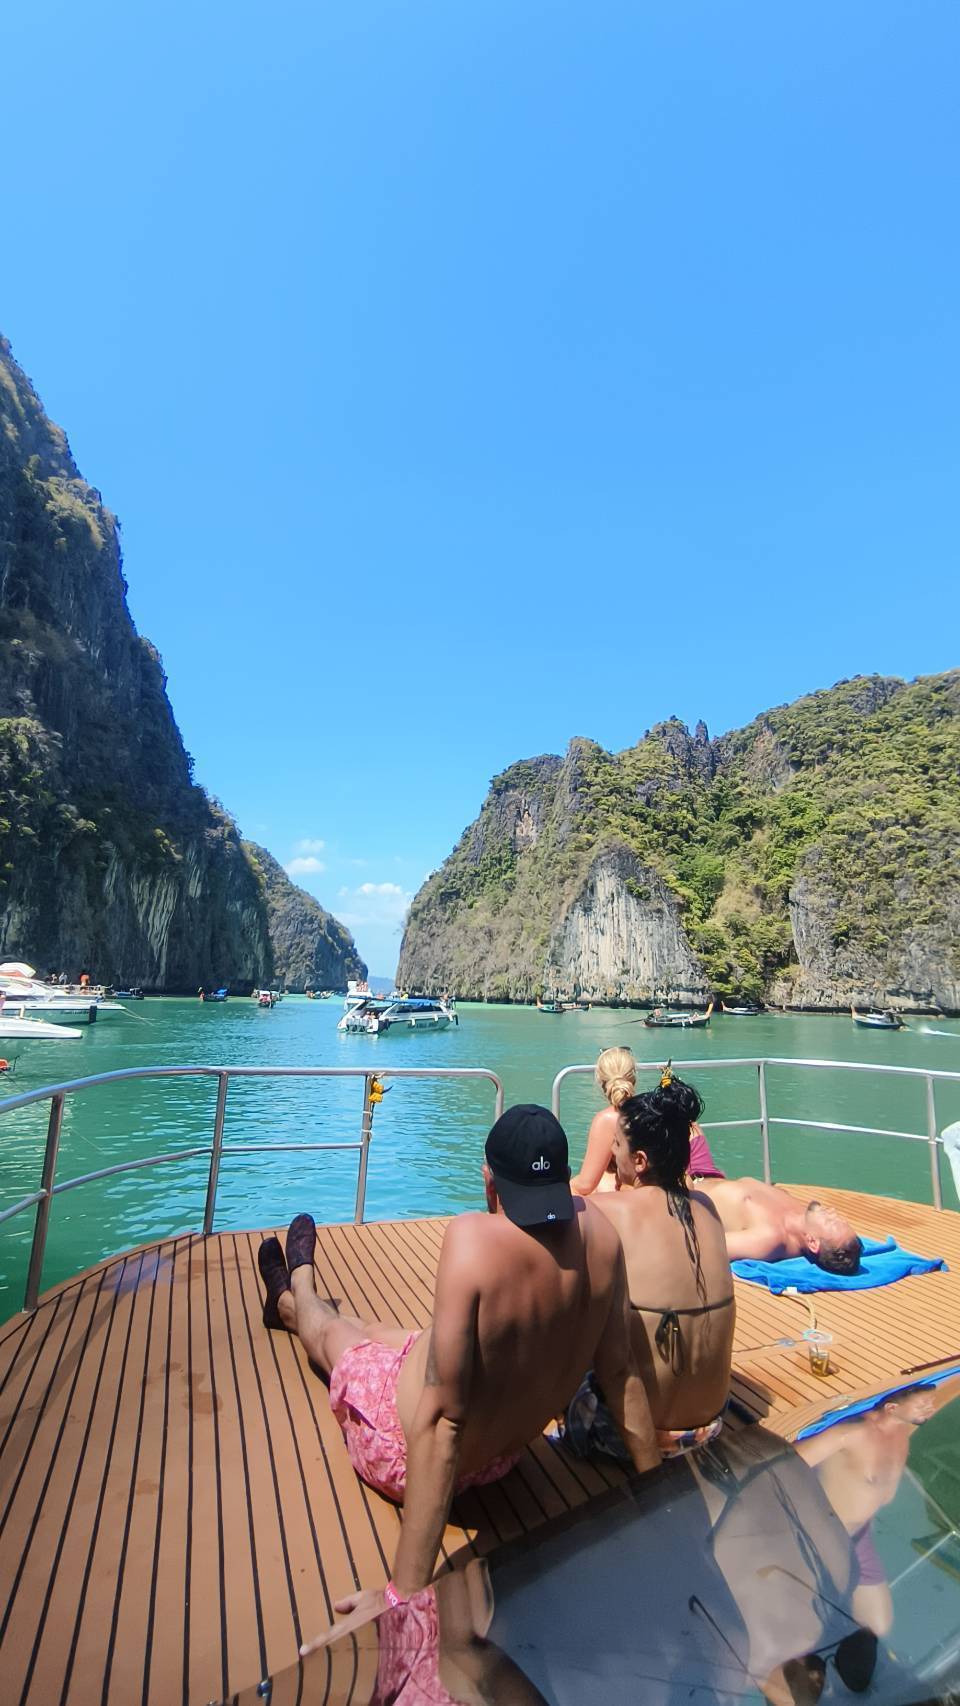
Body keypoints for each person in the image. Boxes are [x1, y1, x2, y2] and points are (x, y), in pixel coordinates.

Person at [259, 1103, 659, 1613]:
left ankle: (296, 1291)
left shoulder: (474, 1240)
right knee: (384, 1333)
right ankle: (303, 1303)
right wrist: (660, 1495)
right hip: (503, 1456)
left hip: (409, 1457)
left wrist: (404, 1593)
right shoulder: (601, 1233)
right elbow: (621, 1372)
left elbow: (442, 1423)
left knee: (335, 1337)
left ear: (490, 1180)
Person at [563, 1070, 734, 1461]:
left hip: (636, 1441)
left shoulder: (606, 1211)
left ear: (639, 1161)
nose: (612, 1155)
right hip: (710, 1423)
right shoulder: (706, 1207)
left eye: (616, 1146)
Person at [796, 1384, 937, 1636]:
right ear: (891, 1407)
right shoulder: (851, 1434)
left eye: (931, 1402)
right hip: (823, 1535)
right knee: (802, 1620)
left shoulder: (902, 1432)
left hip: (860, 1535)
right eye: (922, 1403)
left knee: (877, 1627)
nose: (931, 1408)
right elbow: (786, 1463)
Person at [688, 1131, 863, 1272]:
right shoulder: (800, 1213)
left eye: (831, 1222)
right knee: (687, 1118)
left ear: (813, 1242)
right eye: (839, 1218)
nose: (832, 1211)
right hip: (707, 1172)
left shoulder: (769, 1239)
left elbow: (704, 1246)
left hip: (684, 1190)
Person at [571, 1047, 718, 1195]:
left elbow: (585, 1185)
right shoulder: (652, 1111)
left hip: (632, 1196)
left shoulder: (607, 1119)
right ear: (633, 1077)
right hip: (667, 1191)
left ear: (600, 1080)